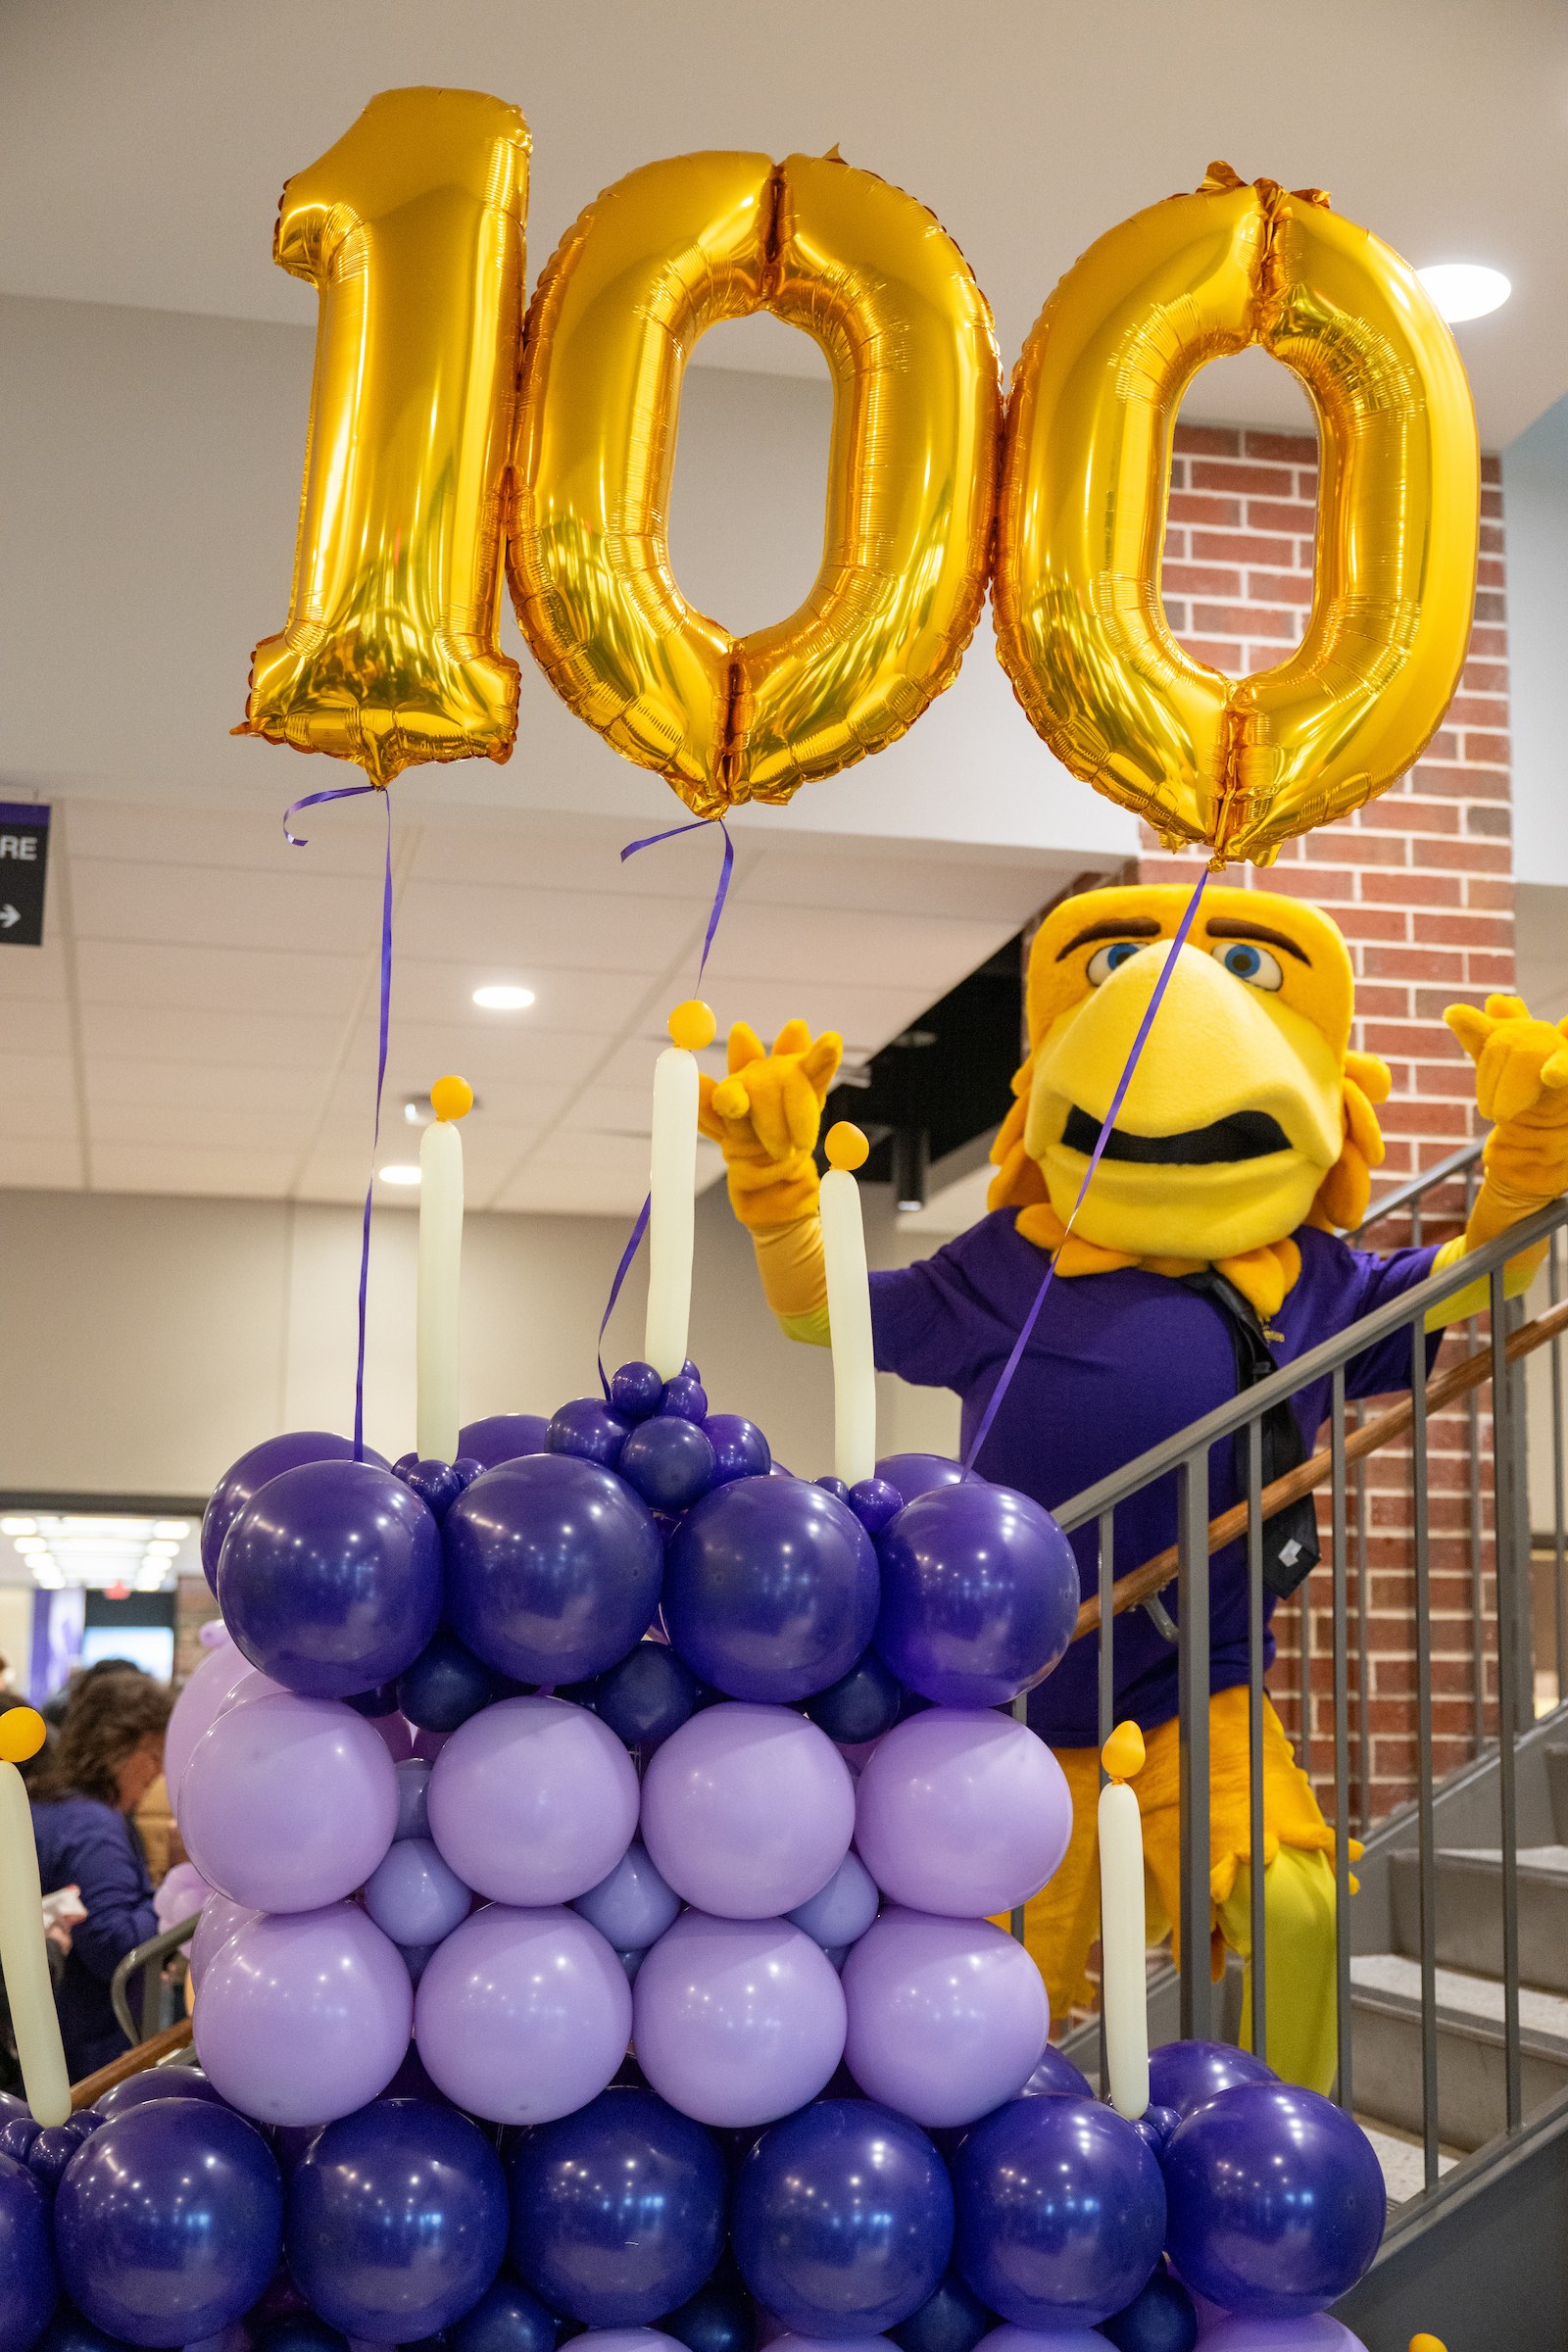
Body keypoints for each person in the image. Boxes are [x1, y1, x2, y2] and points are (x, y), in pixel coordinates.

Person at [699, 882, 1568, 2091]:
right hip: (1009, 1704)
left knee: (1295, 1903)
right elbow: (823, 1315)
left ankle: (1281, 2135)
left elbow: (1476, 1284)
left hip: (1199, 1690)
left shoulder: (1312, 1282)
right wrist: (777, 1190)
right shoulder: (1008, 1266)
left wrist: (1527, 1159)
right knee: (992, 1989)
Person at [29, 1672, 172, 2079]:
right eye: (153, 1755)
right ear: (117, 1745)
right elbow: (115, 1945)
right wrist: (174, 1891)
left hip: (47, 2044)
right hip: (86, 2054)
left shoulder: (46, 1801)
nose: (156, 1774)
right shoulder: (93, 1826)